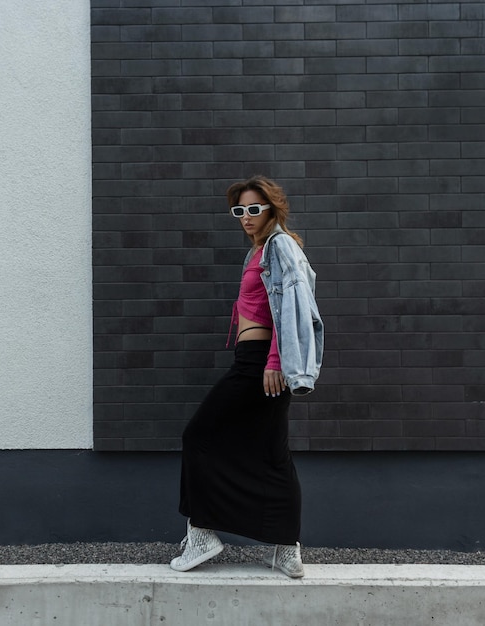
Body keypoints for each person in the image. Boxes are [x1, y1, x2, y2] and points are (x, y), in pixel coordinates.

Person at [170, 175, 323, 578]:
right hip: (257, 359)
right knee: (272, 453)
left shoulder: (279, 246)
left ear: (273, 208)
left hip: (261, 363)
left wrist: (275, 360)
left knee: (199, 435)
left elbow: (292, 304)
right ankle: (286, 549)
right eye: (239, 211)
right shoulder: (258, 251)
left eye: (254, 209)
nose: (246, 217)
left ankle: (202, 535)